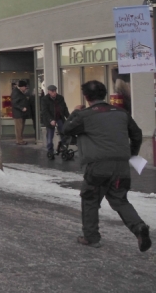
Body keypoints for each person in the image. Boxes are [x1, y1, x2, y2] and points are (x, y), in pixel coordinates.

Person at [62, 80, 151, 251]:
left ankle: (91, 237)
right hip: (121, 166)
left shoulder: (84, 115)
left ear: (86, 96)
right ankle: (139, 227)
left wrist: (74, 112)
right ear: (104, 94)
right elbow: (137, 134)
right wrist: (132, 153)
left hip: (98, 166)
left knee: (90, 199)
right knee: (120, 200)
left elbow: (66, 129)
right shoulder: (121, 113)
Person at [41, 85, 69, 160]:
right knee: (50, 136)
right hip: (50, 120)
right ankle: (50, 150)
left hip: (59, 118)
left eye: (55, 91)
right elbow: (45, 111)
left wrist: (69, 117)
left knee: (64, 133)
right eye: (52, 91)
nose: (54, 93)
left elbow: (65, 108)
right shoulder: (45, 99)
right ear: (49, 91)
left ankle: (63, 147)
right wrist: (51, 120)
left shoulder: (60, 98)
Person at [11, 80, 31, 145]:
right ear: (22, 87)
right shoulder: (16, 92)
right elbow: (14, 103)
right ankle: (19, 140)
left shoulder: (20, 92)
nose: (26, 88)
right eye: (25, 87)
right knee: (19, 128)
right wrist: (21, 108)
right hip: (18, 113)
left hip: (21, 113)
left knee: (21, 127)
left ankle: (20, 139)